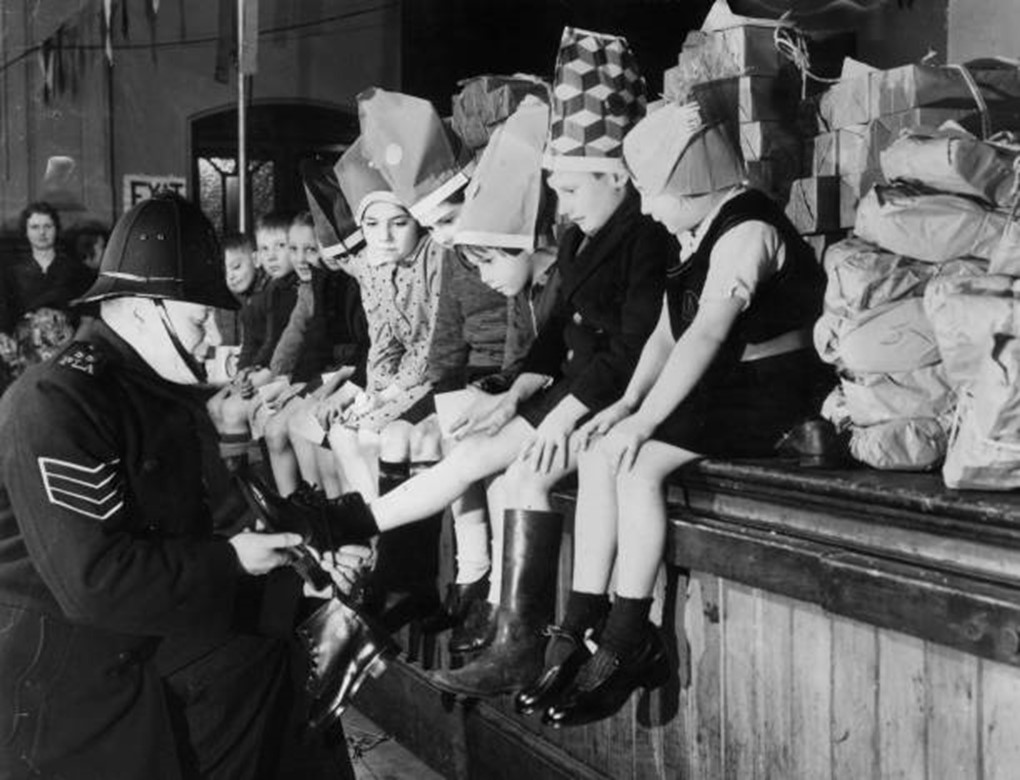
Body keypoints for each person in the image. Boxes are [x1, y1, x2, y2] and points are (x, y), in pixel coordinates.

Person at [323, 29, 670, 699]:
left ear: (617, 177)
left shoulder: (641, 235)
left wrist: (556, 410)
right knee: (469, 460)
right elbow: (551, 342)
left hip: (611, 394)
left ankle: (524, 633)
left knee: (512, 479)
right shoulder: (581, 235)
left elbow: (628, 349)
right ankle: (357, 531)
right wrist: (516, 394)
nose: (561, 207)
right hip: (571, 389)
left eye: (568, 190)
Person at [0, 193, 372, 779]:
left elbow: (216, 523)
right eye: (200, 320)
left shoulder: (153, 390)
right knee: (258, 672)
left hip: (135, 628)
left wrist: (309, 580)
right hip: (64, 665)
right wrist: (235, 563)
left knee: (289, 660)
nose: (209, 339)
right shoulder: (56, 401)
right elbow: (95, 583)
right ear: (145, 309)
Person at [517, 101, 831, 728]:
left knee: (639, 466)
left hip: (771, 390)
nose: (649, 206)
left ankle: (627, 635)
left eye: (654, 193)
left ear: (691, 184)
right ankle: (580, 619)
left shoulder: (747, 229)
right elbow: (666, 331)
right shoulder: (691, 229)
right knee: (606, 450)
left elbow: (706, 335)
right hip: (724, 383)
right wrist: (629, 404)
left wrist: (644, 421)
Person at [0, 201, 91, 335]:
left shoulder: (78, 271)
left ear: (57, 229)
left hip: (68, 345)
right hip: (26, 346)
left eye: (48, 226)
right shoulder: (12, 273)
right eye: (35, 227)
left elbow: (87, 317)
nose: (42, 232)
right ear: (25, 231)